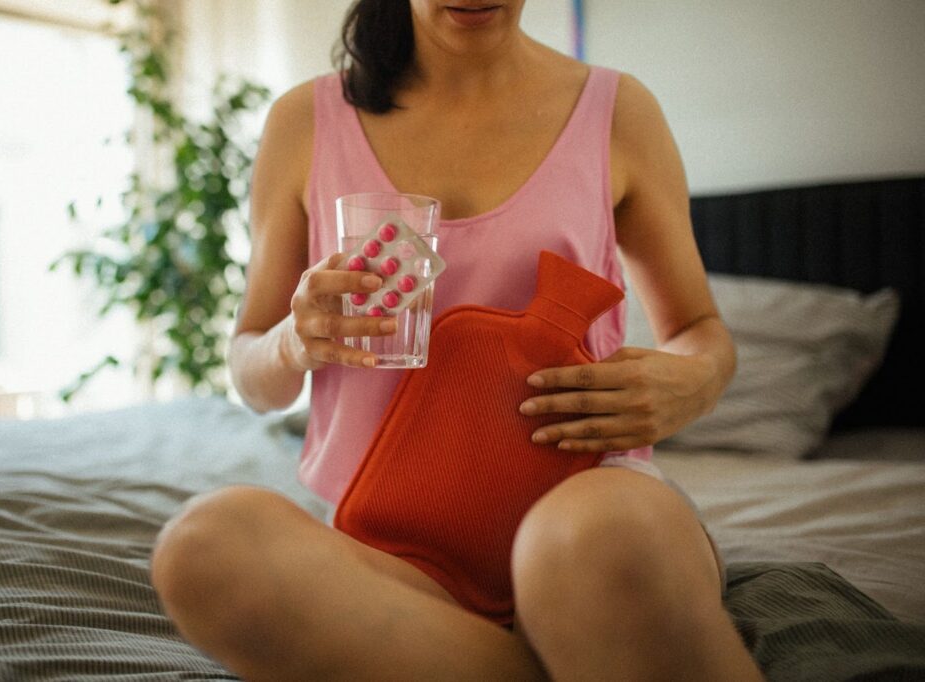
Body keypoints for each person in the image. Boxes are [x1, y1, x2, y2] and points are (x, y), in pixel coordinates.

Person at [151, 1, 765, 679]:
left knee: (589, 546)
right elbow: (250, 369)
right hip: (389, 547)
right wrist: (294, 342)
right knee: (202, 546)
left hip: (592, 506)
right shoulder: (305, 121)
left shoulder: (618, 111)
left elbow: (698, 331)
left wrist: (692, 381)